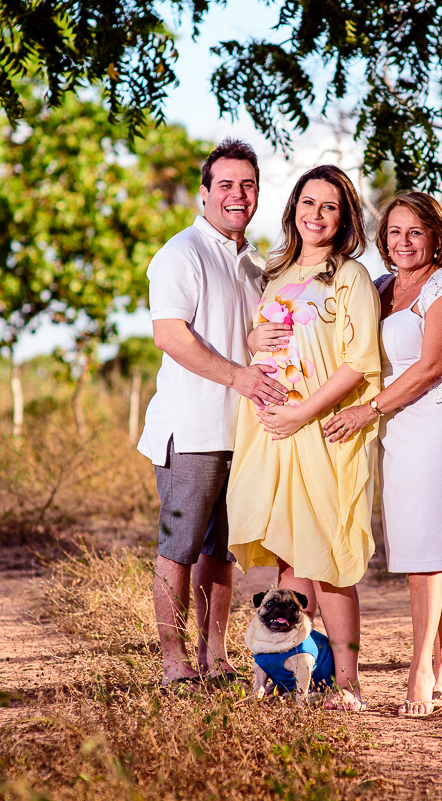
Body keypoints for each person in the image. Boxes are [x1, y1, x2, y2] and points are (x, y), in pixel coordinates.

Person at [227, 164, 381, 712]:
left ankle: (349, 683)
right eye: (308, 203)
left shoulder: (351, 277)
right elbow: (269, 339)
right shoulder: (278, 271)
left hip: (319, 428)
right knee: (291, 557)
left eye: (330, 207)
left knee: (331, 557)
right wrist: (252, 336)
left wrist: (301, 415)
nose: (316, 215)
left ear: (344, 219)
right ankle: (303, 677)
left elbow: (356, 365)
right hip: (271, 431)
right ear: (293, 207)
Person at [136, 139, 289, 690]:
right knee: (178, 546)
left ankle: (215, 656)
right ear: (204, 193)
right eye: (224, 184)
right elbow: (170, 335)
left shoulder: (254, 263)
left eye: (246, 185)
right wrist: (239, 377)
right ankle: (173, 661)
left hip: (243, 433)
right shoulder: (180, 254)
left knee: (221, 551)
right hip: (192, 429)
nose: (237, 194)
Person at [324, 192, 442, 718]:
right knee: (433, 547)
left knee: (424, 553)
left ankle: (420, 668)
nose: (404, 242)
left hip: (439, 421)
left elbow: (431, 367)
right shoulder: (383, 286)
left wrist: (367, 411)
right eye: (394, 232)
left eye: (416, 232)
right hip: (398, 424)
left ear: (437, 236)